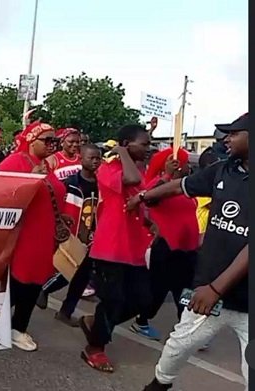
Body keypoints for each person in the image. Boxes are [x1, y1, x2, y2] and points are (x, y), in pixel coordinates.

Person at [131, 114, 249, 391]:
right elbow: (181, 187)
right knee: (178, 345)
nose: (227, 139)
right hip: (207, 290)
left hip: (234, 298)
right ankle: (159, 385)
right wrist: (146, 196)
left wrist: (216, 289)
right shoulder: (223, 169)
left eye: (234, 134)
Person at [79, 124, 154, 373]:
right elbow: (130, 180)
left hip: (134, 249)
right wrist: (120, 152)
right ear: (125, 144)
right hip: (110, 248)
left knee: (143, 300)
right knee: (113, 300)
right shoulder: (107, 169)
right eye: (144, 143)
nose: (148, 148)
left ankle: (94, 322)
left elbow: (141, 194)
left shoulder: (140, 171)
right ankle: (94, 348)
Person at [0, 121, 66, 352]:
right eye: (47, 140)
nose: (52, 145)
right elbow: (2, 196)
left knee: (36, 280)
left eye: (54, 140)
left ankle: (18, 326)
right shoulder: (14, 162)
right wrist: (29, 180)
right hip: (24, 232)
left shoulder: (47, 164)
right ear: (31, 141)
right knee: (19, 280)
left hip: (44, 232)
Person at [129, 148, 199, 341]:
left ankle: (186, 327)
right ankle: (141, 320)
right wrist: (167, 174)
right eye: (185, 163)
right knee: (157, 290)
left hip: (187, 249)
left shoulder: (185, 188)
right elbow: (148, 195)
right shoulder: (160, 186)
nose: (189, 167)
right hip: (166, 247)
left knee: (185, 291)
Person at [36, 144, 102, 325]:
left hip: (90, 235)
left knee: (81, 276)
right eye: (91, 158)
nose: (95, 161)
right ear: (81, 159)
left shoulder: (101, 184)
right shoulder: (71, 182)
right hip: (70, 233)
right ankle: (44, 289)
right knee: (70, 270)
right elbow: (55, 203)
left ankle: (65, 311)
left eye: (98, 158)